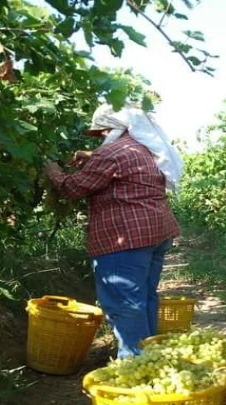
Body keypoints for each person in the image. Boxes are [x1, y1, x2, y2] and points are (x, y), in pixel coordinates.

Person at [43, 103, 184, 359]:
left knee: (125, 305)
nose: (100, 138)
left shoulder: (111, 154)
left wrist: (53, 172)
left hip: (126, 239)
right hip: (156, 232)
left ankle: (134, 366)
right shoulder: (145, 148)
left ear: (113, 128)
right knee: (145, 298)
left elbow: (72, 188)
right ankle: (151, 358)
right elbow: (124, 170)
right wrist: (92, 158)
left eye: (101, 133)